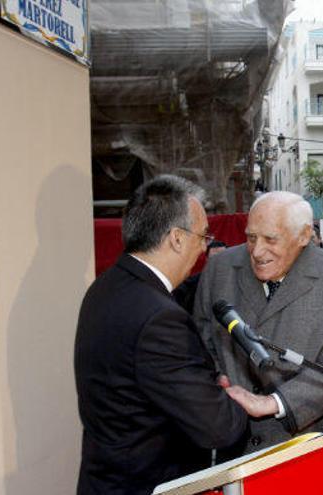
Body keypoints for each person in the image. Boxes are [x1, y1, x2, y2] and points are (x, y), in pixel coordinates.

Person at [74, 176, 254, 494]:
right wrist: (229, 399)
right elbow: (219, 428)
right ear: (176, 239)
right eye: (203, 236)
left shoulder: (105, 287)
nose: (204, 247)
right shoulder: (160, 318)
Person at [193, 191, 323, 454]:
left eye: (270, 239)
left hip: (305, 446)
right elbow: (201, 337)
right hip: (233, 443)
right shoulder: (219, 269)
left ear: (304, 235)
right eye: (251, 237)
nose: (257, 251)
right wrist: (217, 381)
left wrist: (275, 403)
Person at [173, 240, 227, 314]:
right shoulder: (193, 282)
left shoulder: (234, 279)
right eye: (214, 257)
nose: (218, 261)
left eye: (222, 257)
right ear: (207, 259)